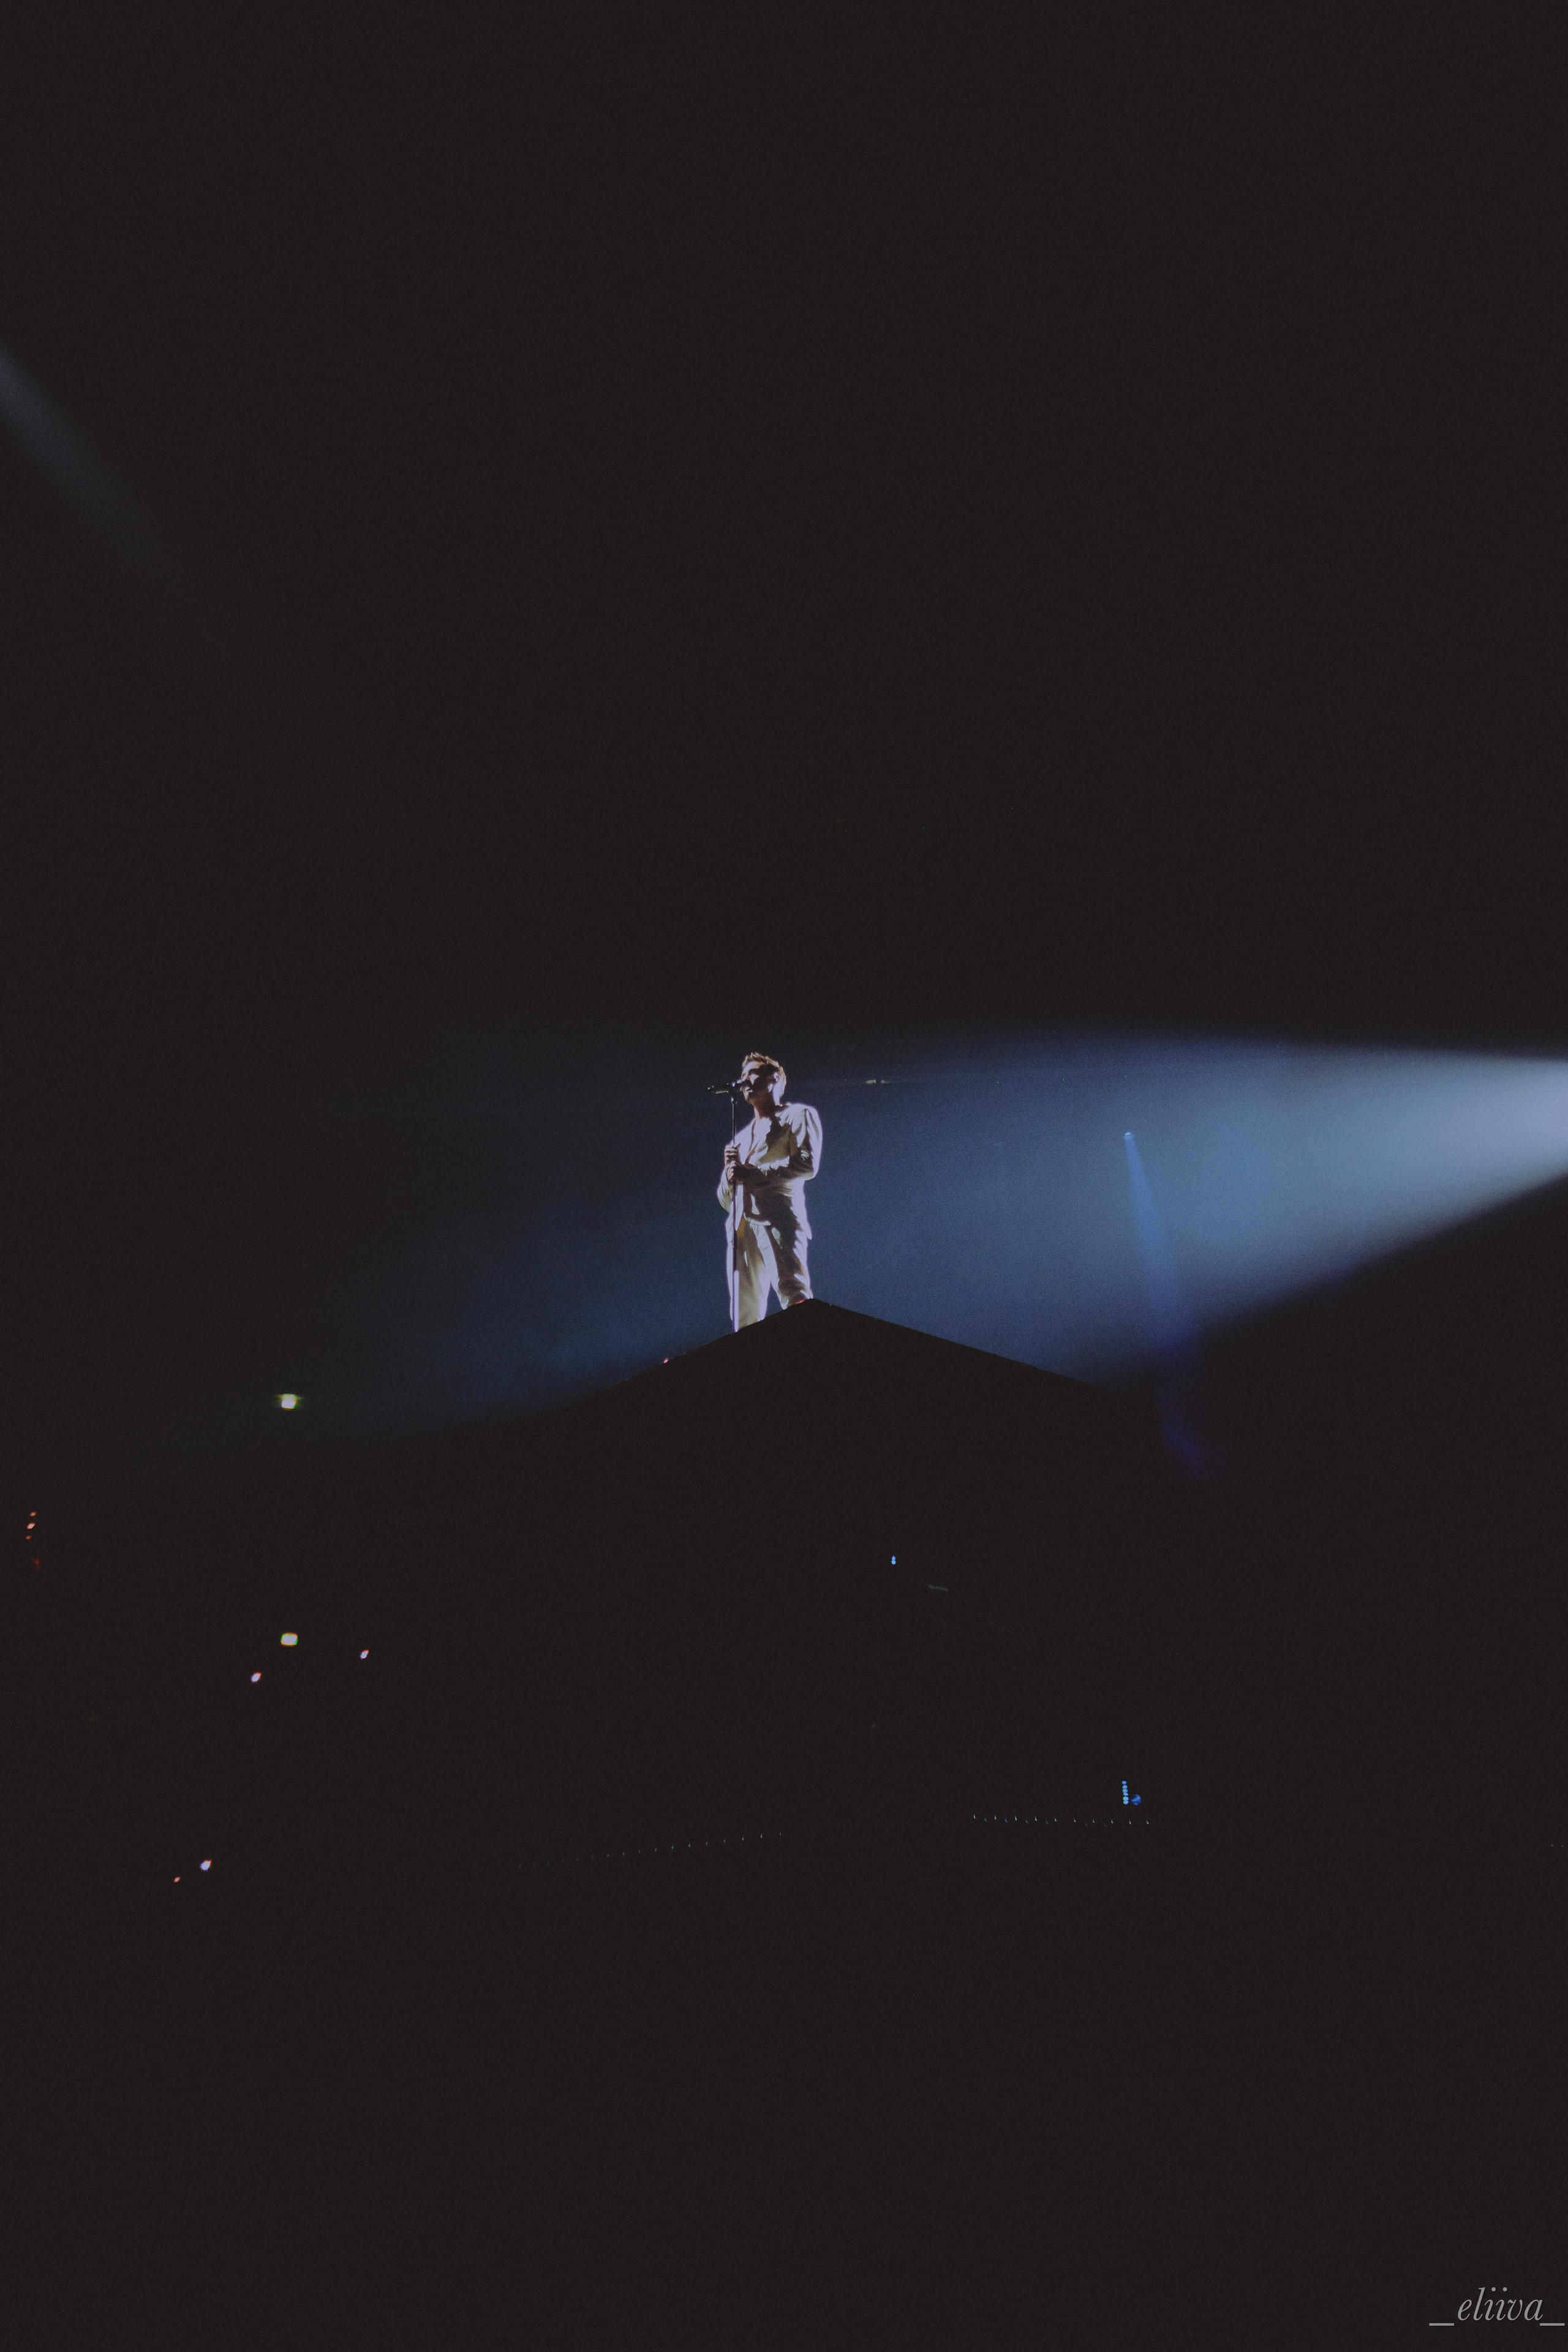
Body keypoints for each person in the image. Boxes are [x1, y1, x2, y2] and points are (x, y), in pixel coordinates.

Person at [717, 1052, 823, 1329]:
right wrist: (729, 1178)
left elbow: (807, 1164)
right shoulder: (739, 1140)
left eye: (753, 1073)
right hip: (740, 1228)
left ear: (775, 1078)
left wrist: (751, 1174)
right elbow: (725, 1200)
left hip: (778, 1218)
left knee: (793, 1291)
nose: (745, 1081)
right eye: (742, 1078)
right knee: (743, 1309)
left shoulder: (797, 1115)